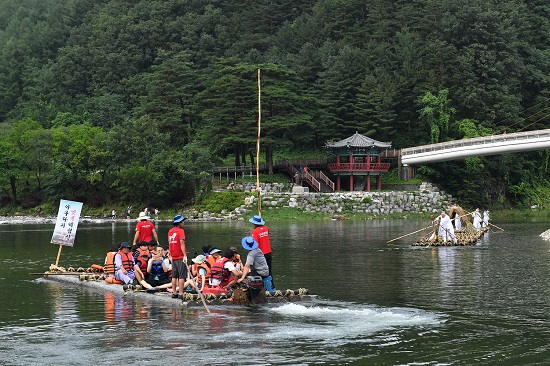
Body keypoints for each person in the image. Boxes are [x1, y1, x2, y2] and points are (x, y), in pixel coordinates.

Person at [168, 214, 188, 299]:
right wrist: (184, 255)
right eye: (183, 221)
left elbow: (169, 244)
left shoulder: (170, 231)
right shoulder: (180, 231)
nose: (183, 222)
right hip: (180, 256)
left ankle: (174, 293)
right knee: (181, 275)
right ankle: (180, 293)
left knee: (174, 275)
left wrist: (170, 254)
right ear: (179, 222)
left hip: (173, 255)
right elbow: (182, 243)